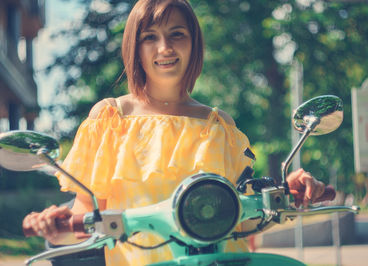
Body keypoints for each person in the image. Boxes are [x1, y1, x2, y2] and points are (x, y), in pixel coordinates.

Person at [23, 0, 327, 265]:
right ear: (134, 47)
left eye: (176, 35)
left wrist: (286, 192)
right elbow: (86, 221)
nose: (165, 48)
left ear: (194, 42)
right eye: (150, 37)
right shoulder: (110, 119)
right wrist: (53, 226)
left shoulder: (219, 125)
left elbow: (241, 218)